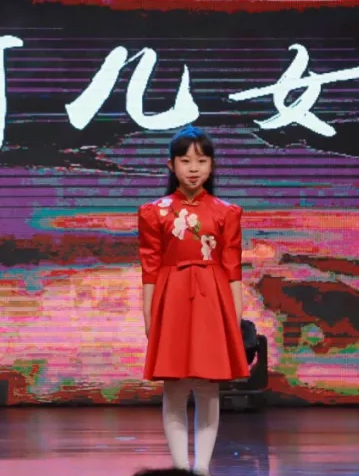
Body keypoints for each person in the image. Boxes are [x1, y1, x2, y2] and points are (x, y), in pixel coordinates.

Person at [138, 126, 249, 475]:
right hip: (171, 300)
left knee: (207, 387)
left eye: (201, 160)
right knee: (174, 387)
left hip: (212, 300)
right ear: (171, 165)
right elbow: (150, 270)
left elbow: (233, 270)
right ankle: (179, 468)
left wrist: (234, 318)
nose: (193, 168)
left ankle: (201, 469)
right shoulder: (153, 212)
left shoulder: (226, 212)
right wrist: (149, 317)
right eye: (185, 161)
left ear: (212, 166)